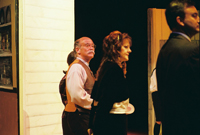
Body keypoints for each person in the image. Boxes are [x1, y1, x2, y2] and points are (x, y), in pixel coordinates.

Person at [156, 0, 200, 134]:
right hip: (191, 125)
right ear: (179, 20)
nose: (199, 19)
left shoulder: (165, 49)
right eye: (194, 15)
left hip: (172, 126)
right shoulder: (193, 50)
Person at [88, 31, 134, 135]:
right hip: (113, 124)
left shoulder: (106, 66)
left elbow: (97, 99)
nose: (129, 50)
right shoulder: (113, 69)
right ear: (116, 49)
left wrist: (92, 124)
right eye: (126, 47)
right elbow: (105, 102)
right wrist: (95, 127)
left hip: (110, 122)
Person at [62, 37, 95, 135]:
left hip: (82, 115)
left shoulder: (84, 66)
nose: (91, 48)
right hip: (78, 116)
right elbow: (77, 95)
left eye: (93, 46)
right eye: (87, 45)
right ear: (77, 50)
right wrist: (96, 103)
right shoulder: (77, 67)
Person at [149, 69, 162, 135]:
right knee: (159, 120)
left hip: (160, 94)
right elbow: (154, 88)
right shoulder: (156, 71)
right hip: (157, 94)